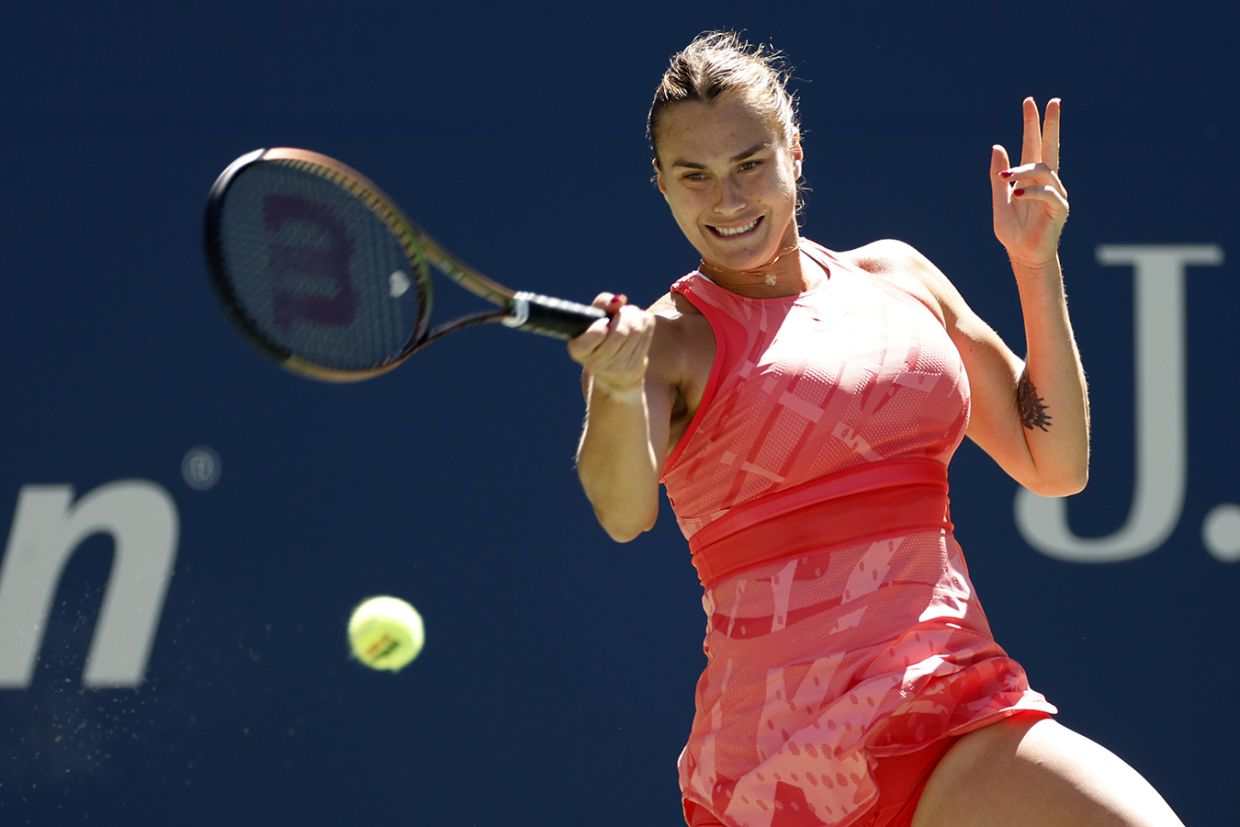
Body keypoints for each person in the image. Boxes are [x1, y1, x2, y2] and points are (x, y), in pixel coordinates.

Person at [568, 31, 1184, 827]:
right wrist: (617, 386)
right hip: (780, 771)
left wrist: (1035, 265)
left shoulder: (900, 278)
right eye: (696, 175)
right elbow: (623, 512)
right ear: (662, 185)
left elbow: (1054, 461)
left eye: (750, 163)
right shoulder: (665, 343)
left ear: (794, 151)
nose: (728, 200)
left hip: (953, 706)